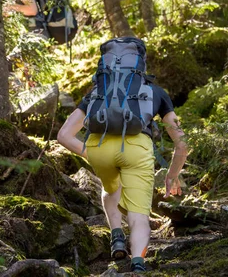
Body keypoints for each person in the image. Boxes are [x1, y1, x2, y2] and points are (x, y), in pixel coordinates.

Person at [57, 45, 188, 273]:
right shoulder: (156, 93)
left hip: (99, 146)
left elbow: (63, 135)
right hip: (137, 149)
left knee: (111, 187)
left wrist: (91, 154)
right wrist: (171, 176)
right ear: (140, 64)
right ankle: (138, 263)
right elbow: (182, 144)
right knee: (139, 217)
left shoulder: (97, 93)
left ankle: (116, 235)